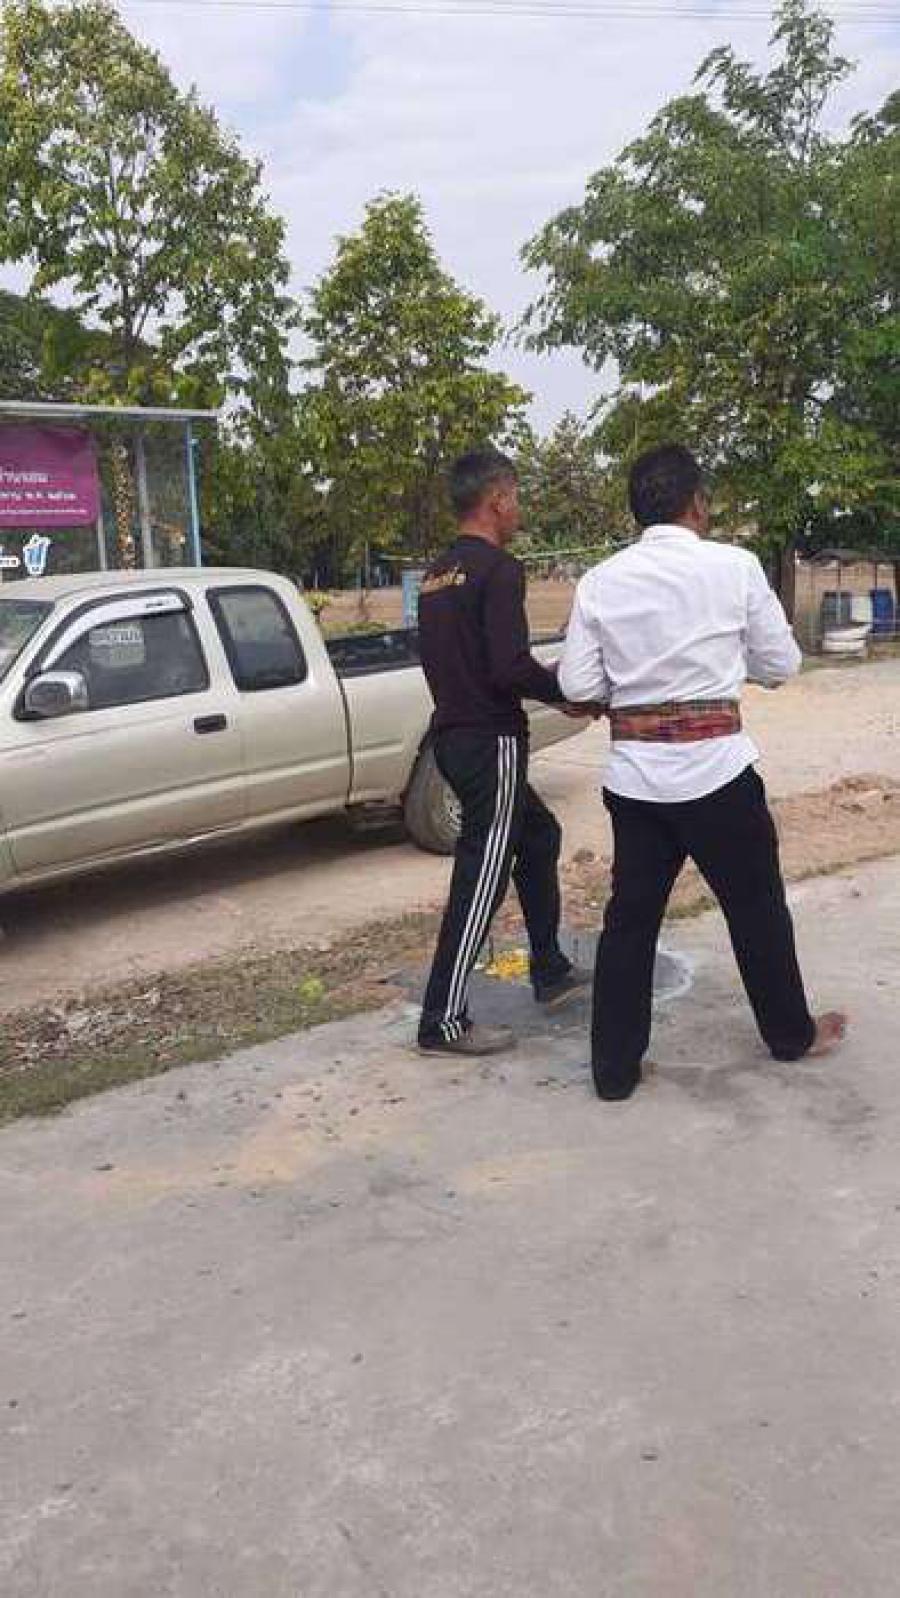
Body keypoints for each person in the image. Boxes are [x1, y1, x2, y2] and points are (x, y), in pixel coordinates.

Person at [559, 442, 847, 1102]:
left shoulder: (599, 580)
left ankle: (613, 1072)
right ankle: (790, 1035)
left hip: (636, 781)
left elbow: (577, 684)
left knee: (630, 922)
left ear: (638, 510)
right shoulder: (734, 566)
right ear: (697, 504)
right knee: (756, 910)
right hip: (719, 774)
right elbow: (781, 665)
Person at [416, 448, 592, 1057]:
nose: (519, 509)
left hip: (452, 736)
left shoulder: (437, 575)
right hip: (490, 741)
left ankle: (550, 970)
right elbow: (509, 666)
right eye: (515, 497)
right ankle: (441, 1020)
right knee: (483, 878)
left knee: (538, 836)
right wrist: (567, 692)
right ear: (496, 500)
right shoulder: (499, 570)